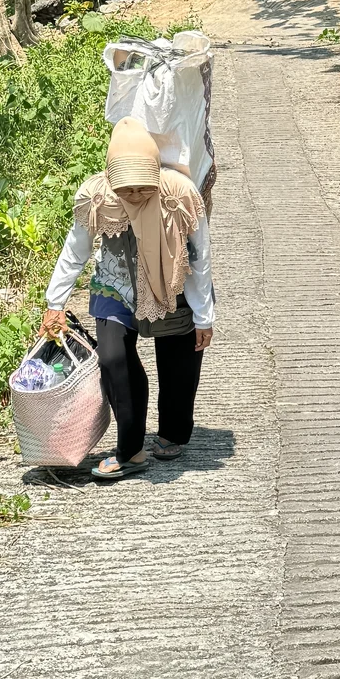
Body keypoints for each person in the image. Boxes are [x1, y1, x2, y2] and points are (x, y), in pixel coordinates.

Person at [39, 118, 214, 479]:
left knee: (177, 359)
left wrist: (203, 315)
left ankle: (172, 433)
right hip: (115, 281)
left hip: (170, 282)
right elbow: (76, 251)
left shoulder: (179, 193)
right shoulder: (97, 197)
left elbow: (199, 256)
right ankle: (130, 448)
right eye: (126, 189)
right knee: (114, 359)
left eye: (142, 188)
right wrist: (55, 302)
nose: (134, 196)